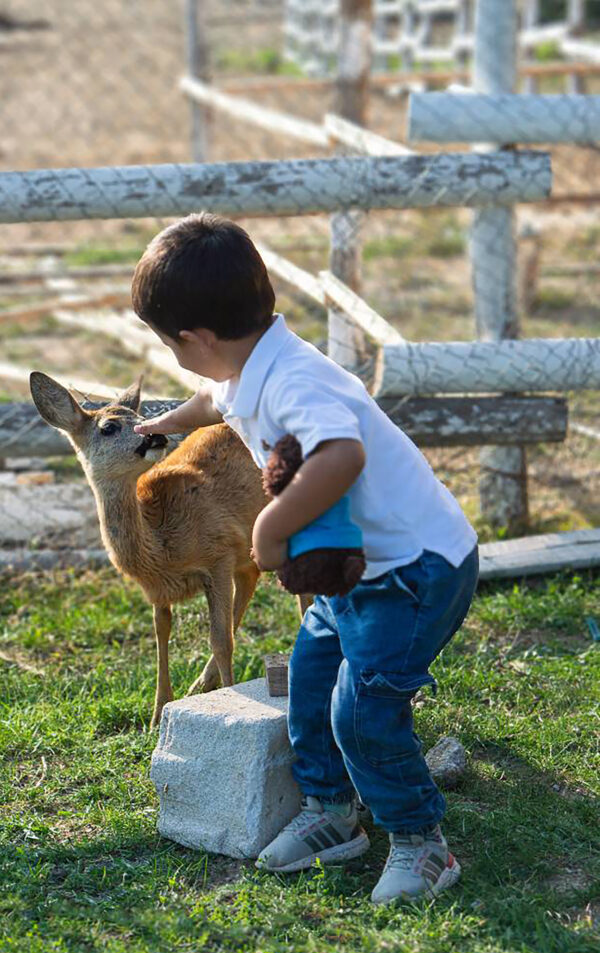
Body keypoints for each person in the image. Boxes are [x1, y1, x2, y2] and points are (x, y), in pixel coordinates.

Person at [131, 212, 479, 904]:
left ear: (197, 338)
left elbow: (341, 456)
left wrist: (270, 531)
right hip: (353, 570)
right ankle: (332, 811)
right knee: (311, 681)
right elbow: (215, 399)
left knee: (362, 709)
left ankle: (420, 842)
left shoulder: (295, 384)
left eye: (169, 343)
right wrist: (173, 421)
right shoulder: (247, 367)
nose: (174, 356)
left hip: (415, 571)